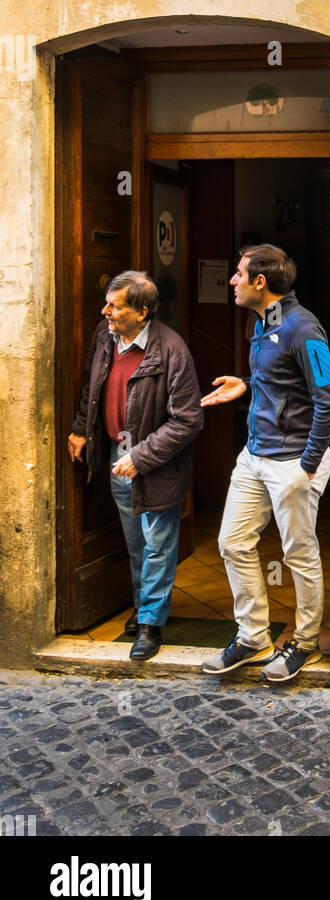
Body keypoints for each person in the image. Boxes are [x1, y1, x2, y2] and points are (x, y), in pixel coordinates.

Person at [200, 243, 330, 682]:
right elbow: (280, 380)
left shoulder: (304, 328)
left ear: (261, 282)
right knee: (232, 542)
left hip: (293, 462)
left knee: (298, 554)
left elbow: (328, 401)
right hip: (254, 457)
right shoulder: (264, 322)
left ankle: (303, 642)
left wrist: (308, 465)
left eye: (239, 274)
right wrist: (245, 384)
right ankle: (253, 637)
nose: (232, 281)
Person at [67, 272, 204, 661]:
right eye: (107, 303)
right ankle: (142, 608)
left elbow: (188, 420)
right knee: (136, 542)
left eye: (115, 305)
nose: (104, 311)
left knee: (158, 544)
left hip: (157, 463)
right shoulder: (104, 336)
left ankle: (150, 624)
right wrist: (81, 428)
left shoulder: (172, 350)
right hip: (117, 454)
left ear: (142, 312)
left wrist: (140, 457)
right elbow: (90, 386)